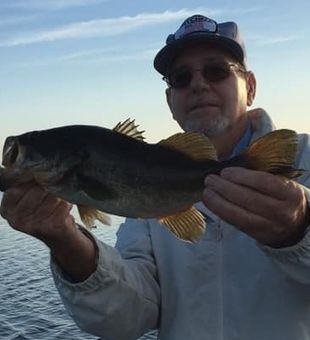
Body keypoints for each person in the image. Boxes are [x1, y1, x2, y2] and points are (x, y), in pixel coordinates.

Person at [1, 14, 310, 340]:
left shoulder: (303, 158)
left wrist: (299, 230)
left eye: (217, 71)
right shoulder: (145, 203)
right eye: (180, 78)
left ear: (249, 87)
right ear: (169, 101)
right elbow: (126, 319)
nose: (199, 84)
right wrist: (65, 239)